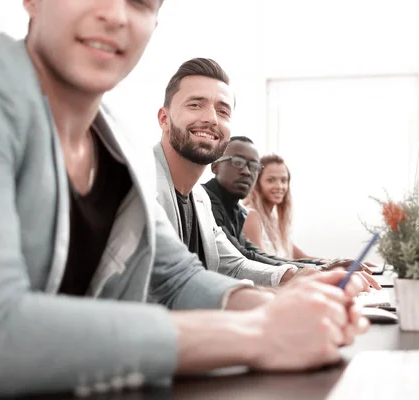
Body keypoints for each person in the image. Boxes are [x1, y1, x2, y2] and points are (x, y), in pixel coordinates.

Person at [0, 1, 368, 397]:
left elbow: (175, 278)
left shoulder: (121, 148)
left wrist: (287, 310)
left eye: (140, 2)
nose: (116, 15)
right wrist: (260, 332)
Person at [154, 58, 309, 286]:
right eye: (195, 105)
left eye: (223, 111)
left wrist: (297, 276)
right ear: (164, 119)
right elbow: (166, 286)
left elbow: (234, 265)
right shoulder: (139, 185)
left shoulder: (201, 199)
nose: (211, 119)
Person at [204, 137, 381, 286]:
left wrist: (322, 265)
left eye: (254, 166)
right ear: (215, 166)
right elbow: (243, 260)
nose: (246, 171)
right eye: (237, 162)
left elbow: (253, 253)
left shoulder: (236, 210)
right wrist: (319, 270)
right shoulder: (205, 202)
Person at [244, 154, 347, 261]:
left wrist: (339, 263)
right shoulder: (252, 216)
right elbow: (265, 262)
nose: (279, 186)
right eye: (271, 180)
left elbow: (304, 257)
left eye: (284, 180)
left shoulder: (274, 221)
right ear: (257, 183)